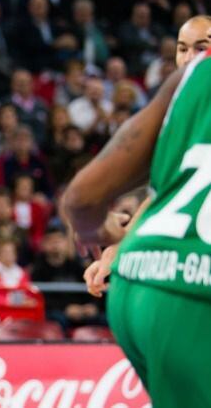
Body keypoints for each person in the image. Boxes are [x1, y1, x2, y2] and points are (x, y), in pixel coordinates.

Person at [64, 46, 211, 406]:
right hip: (194, 291)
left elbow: (81, 198)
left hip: (135, 280)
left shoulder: (192, 76)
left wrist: (108, 237)